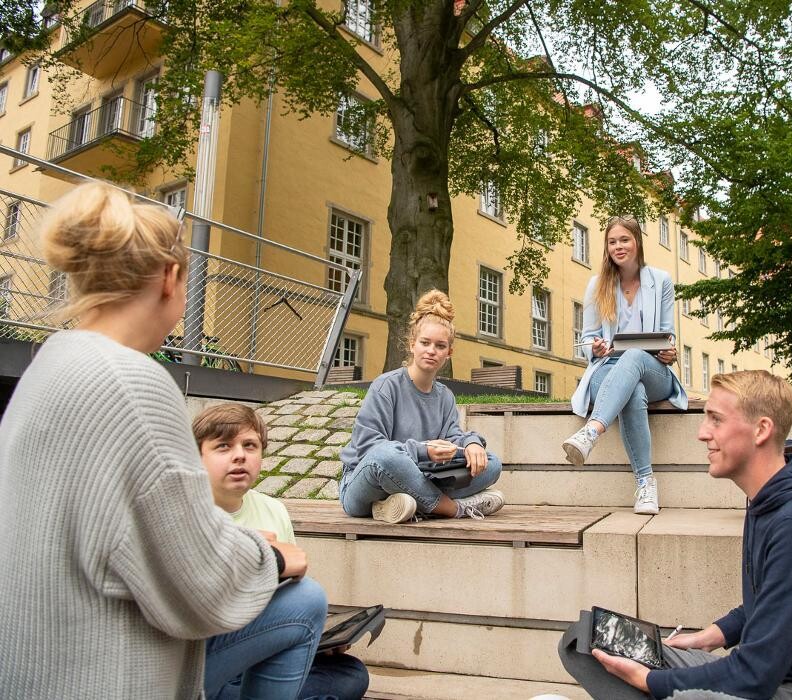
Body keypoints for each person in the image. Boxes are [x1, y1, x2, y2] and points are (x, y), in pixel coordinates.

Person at [0, 182, 325, 698]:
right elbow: (201, 586)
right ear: (171, 278)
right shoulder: (134, 385)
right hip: (103, 675)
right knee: (306, 597)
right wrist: (275, 558)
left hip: (31, 667)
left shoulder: (49, 366)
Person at [559, 370, 792, 700]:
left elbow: (753, 676)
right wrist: (710, 636)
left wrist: (648, 681)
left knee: (666, 687)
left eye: (715, 420)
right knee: (582, 641)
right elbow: (769, 601)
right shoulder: (768, 499)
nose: (702, 433)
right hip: (768, 674)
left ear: (761, 430)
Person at [194, 403, 370, 700]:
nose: (240, 455)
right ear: (197, 458)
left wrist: (320, 639)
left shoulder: (273, 510)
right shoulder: (185, 513)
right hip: (207, 652)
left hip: (265, 644)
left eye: (249, 445)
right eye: (223, 446)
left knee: (351, 673)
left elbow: (291, 594)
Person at [339, 290, 505, 524]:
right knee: (386, 456)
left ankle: (401, 505)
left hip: (419, 477)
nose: (431, 351)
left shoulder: (445, 396)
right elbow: (369, 450)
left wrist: (471, 443)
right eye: (425, 343)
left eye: (440, 346)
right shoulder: (385, 386)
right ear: (412, 344)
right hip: (363, 482)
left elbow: (453, 437)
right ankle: (452, 508)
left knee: (492, 463)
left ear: (449, 352)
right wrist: (423, 451)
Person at [561, 216, 687, 514]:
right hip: (606, 368)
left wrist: (670, 352)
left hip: (652, 367)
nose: (618, 246)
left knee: (633, 358)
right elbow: (589, 337)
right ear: (606, 247)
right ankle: (646, 485)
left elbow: (667, 335)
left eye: (624, 240)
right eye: (612, 241)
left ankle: (591, 432)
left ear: (637, 242)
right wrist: (596, 346)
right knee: (632, 389)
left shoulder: (661, 281)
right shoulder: (597, 286)